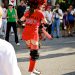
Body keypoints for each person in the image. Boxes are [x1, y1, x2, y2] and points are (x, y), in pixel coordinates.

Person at [18, 0, 47, 75]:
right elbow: (46, 23)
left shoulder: (27, 12)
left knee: (32, 52)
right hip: (33, 35)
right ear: (38, 5)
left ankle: (33, 69)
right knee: (34, 54)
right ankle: (32, 72)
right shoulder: (40, 13)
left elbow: (19, 21)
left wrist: (26, 24)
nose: (42, 6)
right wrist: (41, 24)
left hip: (26, 35)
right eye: (42, 5)